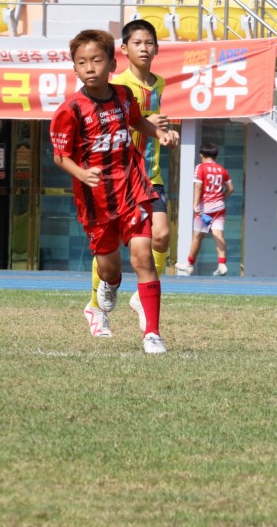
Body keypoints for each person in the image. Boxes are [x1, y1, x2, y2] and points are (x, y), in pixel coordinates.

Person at [49, 29, 175, 354]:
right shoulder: (71, 109)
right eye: (82, 62)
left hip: (133, 187)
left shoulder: (123, 96)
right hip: (96, 200)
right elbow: (60, 156)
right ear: (74, 68)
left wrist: (158, 133)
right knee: (110, 267)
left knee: (143, 256)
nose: (89, 67)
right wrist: (81, 172)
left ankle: (152, 333)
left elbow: (137, 123)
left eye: (96, 60)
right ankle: (109, 286)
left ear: (111, 63)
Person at [92, 19, 179, 330]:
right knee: (110, 245)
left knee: (163, 234)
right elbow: (114, 126)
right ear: (124, 49)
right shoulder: (117, 87)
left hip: (149, 175)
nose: (144, 48)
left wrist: (165, 134)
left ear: (156, 48)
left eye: (149, 43)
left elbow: (153, 126)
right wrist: (149, 122)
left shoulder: (160, 83)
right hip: (120, 177)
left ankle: (140, 298)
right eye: (138, 43)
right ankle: (95, 307)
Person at [175, 142, 235, 277]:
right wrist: (221, 199)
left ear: (202, 155)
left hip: (204, 209)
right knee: (218, 235)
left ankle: (189, 265)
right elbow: (230, 188)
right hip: (219, 208)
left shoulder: (200, 168)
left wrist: (195, 205)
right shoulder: (222, 169)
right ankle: (222, 264)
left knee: (197, 236)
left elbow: (198, 187)